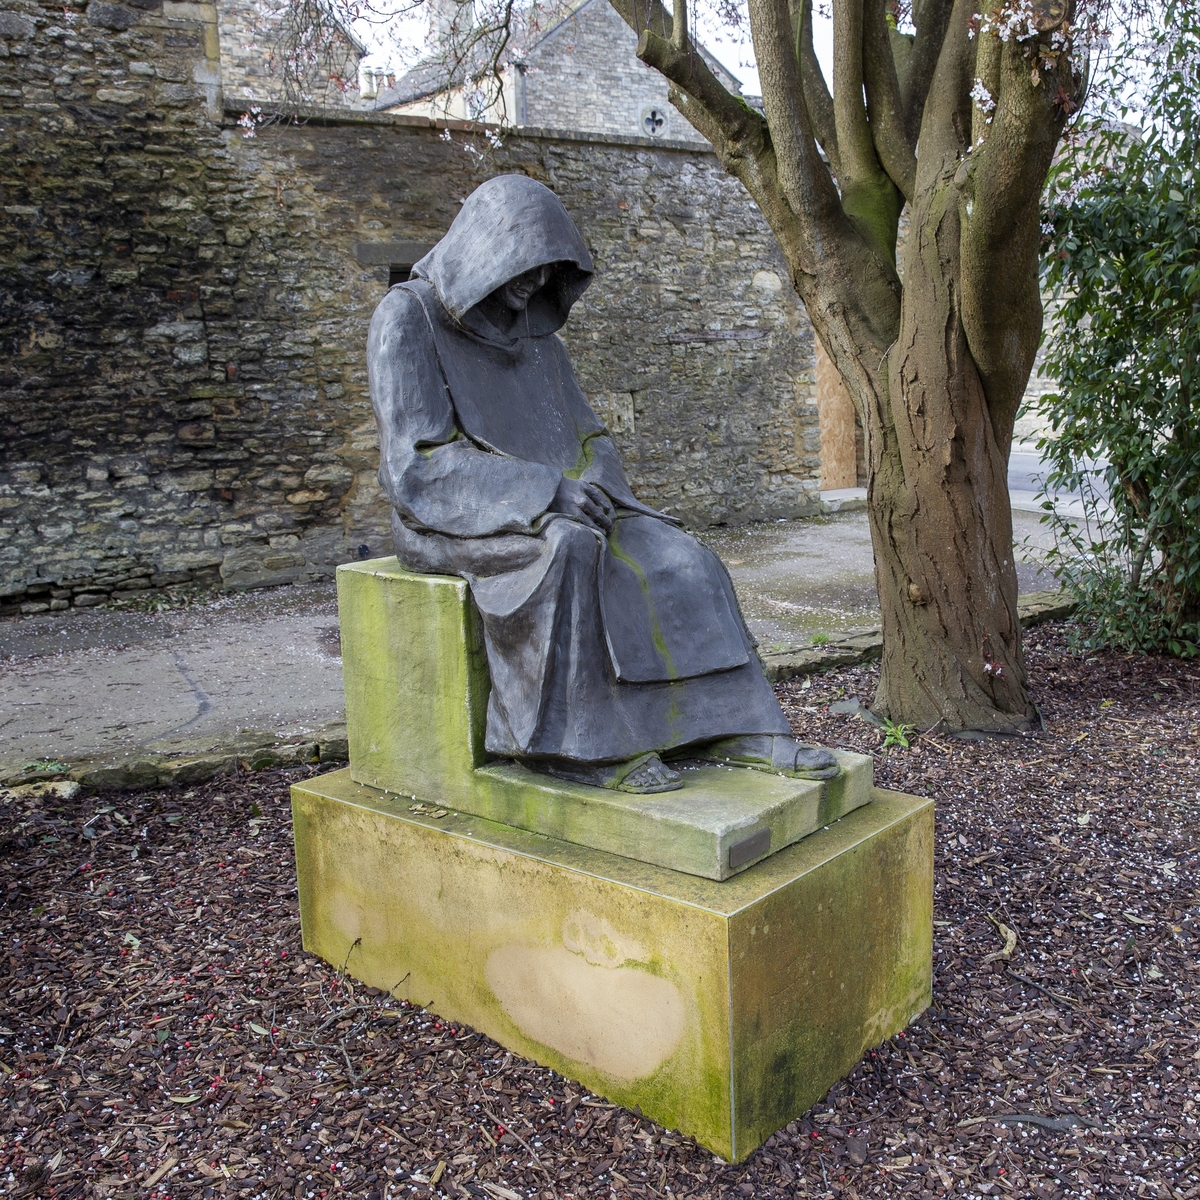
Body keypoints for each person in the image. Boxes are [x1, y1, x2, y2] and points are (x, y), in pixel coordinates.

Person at [368, 174, 838, 794]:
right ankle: (574, 747)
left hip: (565, 501)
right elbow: (417, 463)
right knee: (568, 547)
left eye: (547, 270)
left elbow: (591, 438)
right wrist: (544, 494)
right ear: (484, 247)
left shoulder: (536, 335)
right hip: (452, 518)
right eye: (525, 266)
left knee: (687, 558)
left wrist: (592, 481)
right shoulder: (408, 320)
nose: (535, 284)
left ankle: (736, 722)